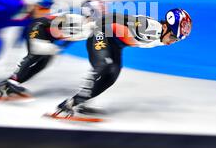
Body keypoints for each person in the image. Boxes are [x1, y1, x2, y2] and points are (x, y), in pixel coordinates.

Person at [50, 8, 192, 118]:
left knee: (112, 75)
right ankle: (68, 104)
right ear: (166, 27)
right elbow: (117, 17)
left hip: (114, 44)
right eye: (173, 36)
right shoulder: (149, 27)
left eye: (177, 40)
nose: (172, 42)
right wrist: (92, 25)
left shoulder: (163, 36)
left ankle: (79, 102)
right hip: (100, 34)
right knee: (104, 65)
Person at [0, 0, 105, 101]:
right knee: (36, 53)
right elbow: (48, 23)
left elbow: (69, 38)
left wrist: (60, 46)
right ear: (91, 11)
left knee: (43, 63)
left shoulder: (87, 26)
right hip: (38, 27)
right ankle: (11, 82)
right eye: (100, 11)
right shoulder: (75, 18)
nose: (103, 13)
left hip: (47, 35)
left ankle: (9, 83)